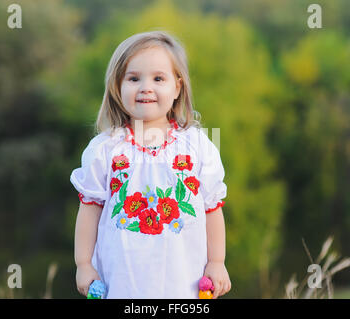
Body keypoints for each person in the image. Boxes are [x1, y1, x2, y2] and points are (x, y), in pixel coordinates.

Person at [71, 30, 231, 298]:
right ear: (117, 87)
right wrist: (84, 264)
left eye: (159, 78)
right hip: (122, 283)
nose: (146, 87)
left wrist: (216, 262)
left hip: (185, 283)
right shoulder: (105, 149)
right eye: (134, 78)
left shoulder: (198, 146)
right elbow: (89, 210)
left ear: (177, 87)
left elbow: (212, 207)